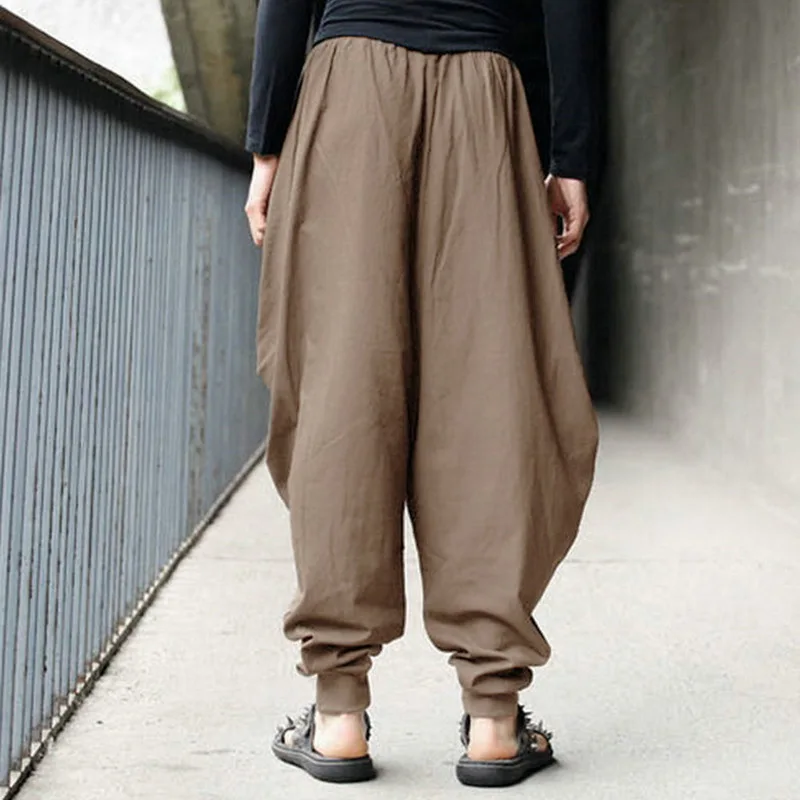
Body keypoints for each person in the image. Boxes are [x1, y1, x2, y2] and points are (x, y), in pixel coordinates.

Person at [244, 0, 598, 787]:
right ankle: (495, 717)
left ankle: (337, 714)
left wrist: (267, 146)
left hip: (348, 93)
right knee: (490, 394)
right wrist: (572, 154)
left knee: (342, 390)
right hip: (483, 96)